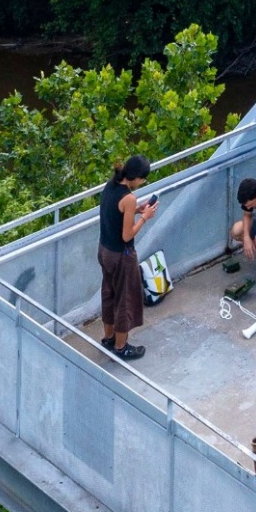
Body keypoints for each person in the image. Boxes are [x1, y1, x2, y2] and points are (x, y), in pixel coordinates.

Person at [99, 154, 156, 359]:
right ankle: (121, 347)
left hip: (104, 251)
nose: (143, 183)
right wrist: (144, 217)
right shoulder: (129, 198)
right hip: (121, 256)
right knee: (125, 299)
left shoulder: (110, 186)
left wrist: (136, 211)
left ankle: (108, 338)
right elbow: (127, 235)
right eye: (143, 179)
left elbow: (115, 214)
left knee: (109, 293)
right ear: (136, 177)